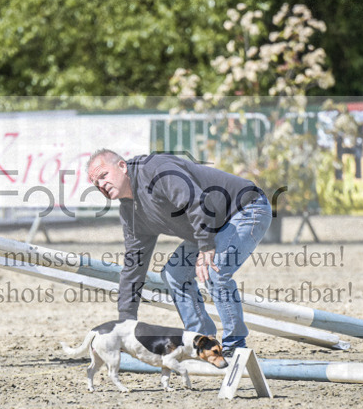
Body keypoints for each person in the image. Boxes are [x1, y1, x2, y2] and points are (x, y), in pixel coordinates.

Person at [86, 149, 272, 356]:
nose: (101, 185)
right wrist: (124, 324)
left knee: (214, 270)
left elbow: (197, 202)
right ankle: (204, 342)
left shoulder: (155, 170)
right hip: (211, 225)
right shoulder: (130, 213)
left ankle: (235, 345)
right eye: (96, 184)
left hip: (246, 209)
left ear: (122, 166)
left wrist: (205, 247)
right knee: (174, 275)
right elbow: (133, 269)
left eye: (104, 176)